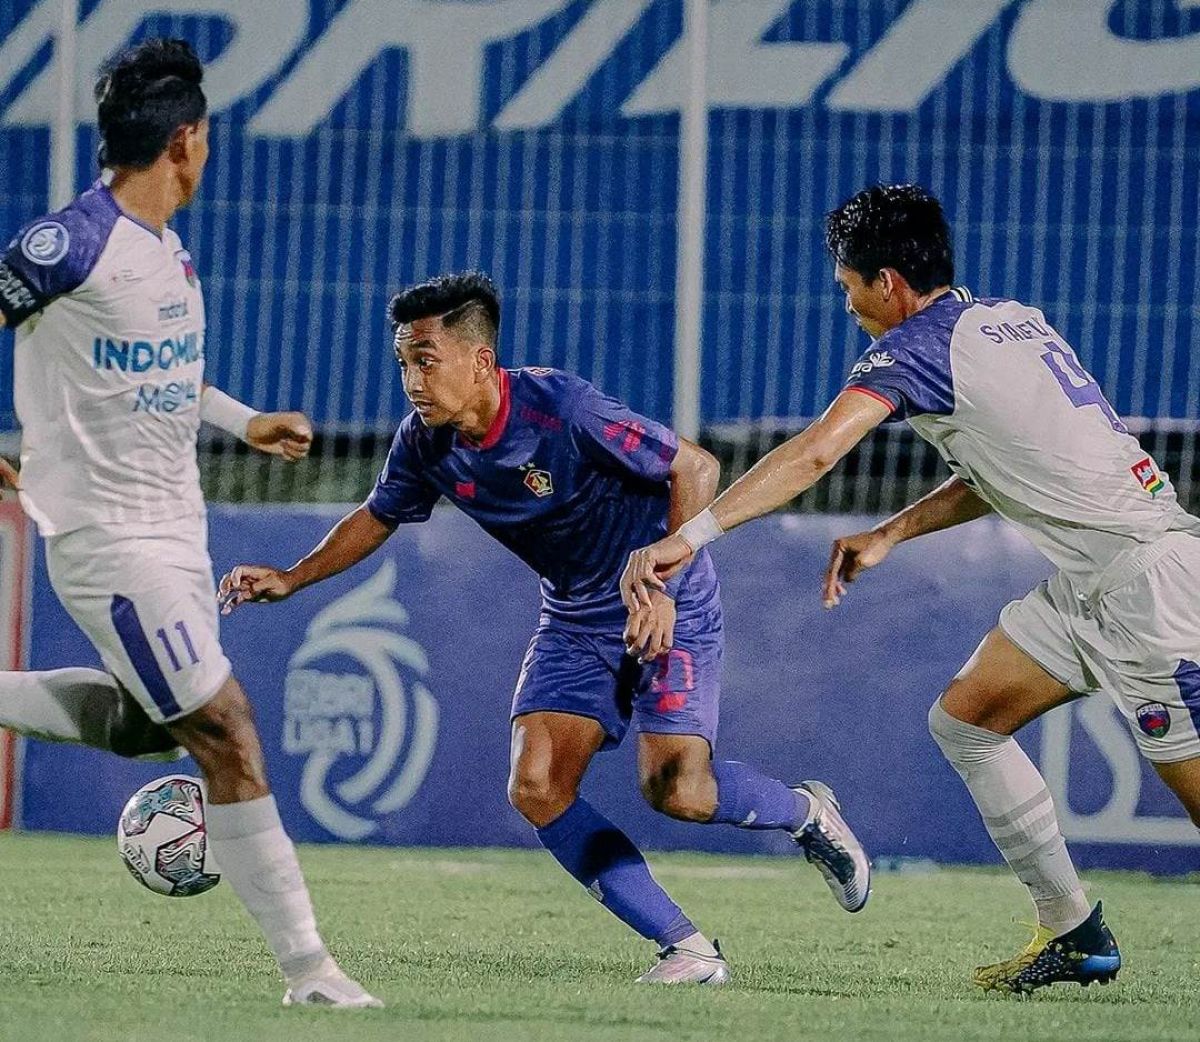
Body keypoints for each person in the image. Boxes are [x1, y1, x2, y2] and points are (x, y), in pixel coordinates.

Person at [622, 182, 1200, 995]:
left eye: (849, 286)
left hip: (1150, 595)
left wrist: (691, 535)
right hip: (1093, 581)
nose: (848, 304)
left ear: (887, 282)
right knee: (966, 720)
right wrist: (892, 532)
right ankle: (1073, 931)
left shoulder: (913, 349)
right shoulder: (1010, 321)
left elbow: (818, 452)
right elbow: (1005, 471)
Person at [219, 271, 871, 985]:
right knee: (535, 784)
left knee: (679, 792)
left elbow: (696, 465)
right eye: (403, 361)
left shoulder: (563, 408)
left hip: (665, 600)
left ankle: (808, 816)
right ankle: (688, 949)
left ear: (479, 360)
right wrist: (292, 575)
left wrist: (663, 585)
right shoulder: (424, 442)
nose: (411, 379)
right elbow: (378, 515)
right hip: (573, 618)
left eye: (425, 360)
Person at [0, 39, 380, 1009]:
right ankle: (311, 970)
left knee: (146, 728)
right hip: (107, 539)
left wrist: (242, 419)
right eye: (206, 138)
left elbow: (160, 366)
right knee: (226, 729)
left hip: (176, 525)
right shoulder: (67, 245)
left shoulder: (165, 246)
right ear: (186, 141)